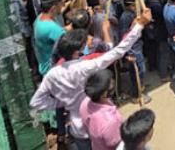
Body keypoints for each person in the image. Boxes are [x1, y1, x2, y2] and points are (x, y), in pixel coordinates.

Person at [30, 10, 151, 147]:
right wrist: (139, 25)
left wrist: (66, 103)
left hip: (76, 129)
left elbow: (36, 102)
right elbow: (117, 51)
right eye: (83, 45)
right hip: (96, 126)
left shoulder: (53, 73)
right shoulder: (86, 66)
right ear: (77, 52)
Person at [80, 69, 123, 150]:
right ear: (103, 94)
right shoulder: (110, 121)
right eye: (111, 83)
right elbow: (117, 145)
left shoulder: (84, 103)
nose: (113, 82)